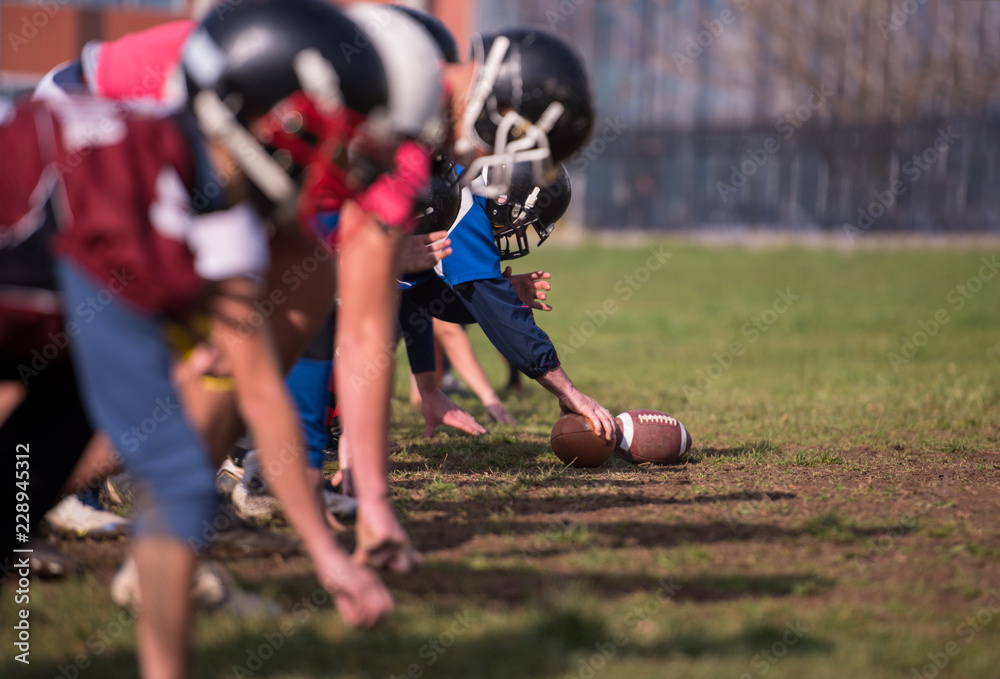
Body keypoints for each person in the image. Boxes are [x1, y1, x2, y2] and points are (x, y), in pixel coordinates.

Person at [0, 1, 445, 677]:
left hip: (44, 298)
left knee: (71, 432)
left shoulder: (211, 199)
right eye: (325, 134)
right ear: (261, 115)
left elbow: (263, 398)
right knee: (170, 468)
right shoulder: (131, 177)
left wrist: (325, 552)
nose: (339, 162)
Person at [400, 160, 618, 438]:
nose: (515, 232)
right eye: (520, 220)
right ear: (504, 199)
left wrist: (429, 389)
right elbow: (502, 318)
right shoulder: (460, 206)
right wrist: (568, 391)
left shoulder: (451, 184)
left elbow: (411, 292)